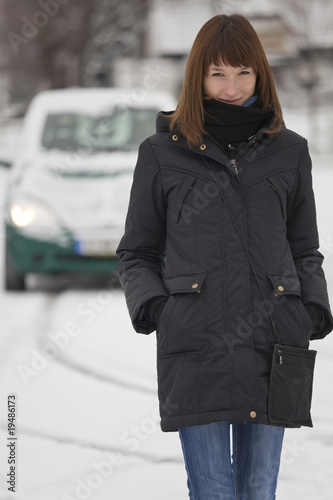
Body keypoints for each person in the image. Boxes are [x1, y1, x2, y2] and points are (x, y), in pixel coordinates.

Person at [116, 14, 333, 500]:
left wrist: (311, 310)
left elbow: (304, 248)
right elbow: (137, 252)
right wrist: (159, 310)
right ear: (198, 77)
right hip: (196, 351)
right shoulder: (161, 154)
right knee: (212, 491)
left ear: (260, 75)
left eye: (243, 73)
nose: (232, 86)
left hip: (275, 344)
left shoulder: (290, 152)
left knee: (260, 491)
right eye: (218, 74)